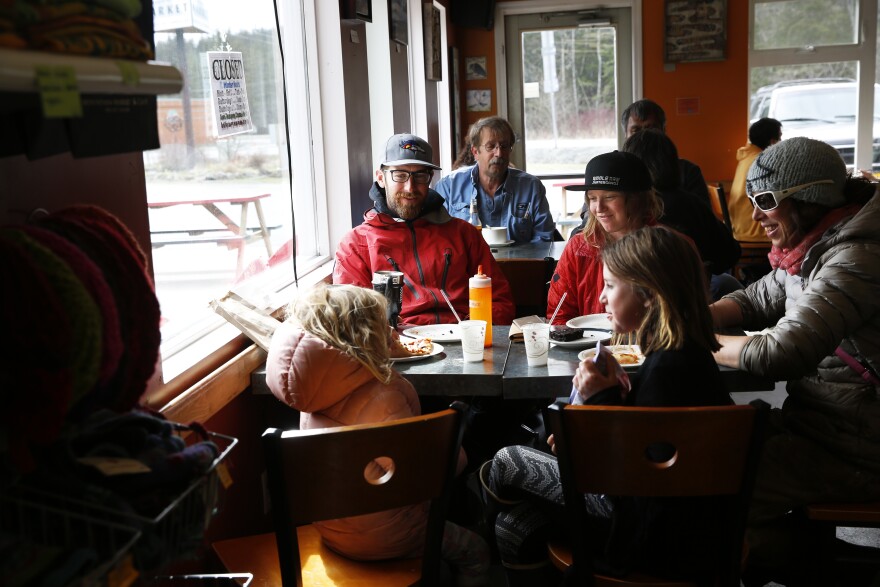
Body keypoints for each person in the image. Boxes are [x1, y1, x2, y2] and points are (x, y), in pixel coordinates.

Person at [481, 226, 733, 586]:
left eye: (611, 286)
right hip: (686, 530)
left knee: (507, 460)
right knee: (514, 527)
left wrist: (594, 412)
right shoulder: (686, 358)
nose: (600, 298)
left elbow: (626, 480)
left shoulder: (667, 372)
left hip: (652, 537)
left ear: (650, 295)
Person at [709, 137, 880, 586]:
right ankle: (825, 559)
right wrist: (696, 314)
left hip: (860, 442)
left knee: (718, 490)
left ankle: (841, 569)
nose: (756, 214)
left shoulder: (854, 256)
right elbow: (755, 297)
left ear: (811, 199)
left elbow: (782, 352)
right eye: (751, 200)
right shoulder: (811, 247)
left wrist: (691, 337)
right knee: (715, 456)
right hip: (826, 422)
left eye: (766, 201)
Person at [265, 283, 491, 586]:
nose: (389, 327)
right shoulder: (386, 394)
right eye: (380, 322)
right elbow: (420, 478)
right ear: (365, 336)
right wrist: (457, 456)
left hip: (332, 531)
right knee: (476, 552)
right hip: (392, 536)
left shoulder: (312, 392)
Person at [333, 132, 515, 327]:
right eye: (400, 175)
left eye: (420, 176)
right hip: (397, 348)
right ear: (380, 178)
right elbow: (352, 321)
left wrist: (470, 330)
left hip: (465, 341)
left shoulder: (464, 234)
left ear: (429, 179)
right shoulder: (354, 245)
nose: (410, 187)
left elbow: (501, 302)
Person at [621, 128, 743, 300]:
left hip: (634, 299)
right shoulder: (690, 203)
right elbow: (730, 254)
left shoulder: (625, 208)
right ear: (674, 164)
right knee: (728, 283)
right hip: (692, 299)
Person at [546, 150, 663, 325]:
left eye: (609, 197)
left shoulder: (666, 248)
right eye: (592, 198)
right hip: (585, 351)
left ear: (637, 199)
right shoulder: (578, 248)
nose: (599, 207)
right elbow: (559, 316)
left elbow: (681, 318)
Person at [435, 116, 555, 244]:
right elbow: (438, 239)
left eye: (504, 146)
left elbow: (543, 240)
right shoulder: (449, 187)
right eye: (491, 146)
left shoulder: (531, 187)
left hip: (519, 263)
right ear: (475, 151)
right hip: (467, 264)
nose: (499, 153)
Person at [620, 99, 711, 205]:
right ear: (625, 135)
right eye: (636, 130)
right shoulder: (615, 171)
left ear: (663, 131)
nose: (644, 136)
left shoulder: (688, 171)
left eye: (651, 129)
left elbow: (703, 216)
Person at [728, 117, 782, 243]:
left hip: (738, 227)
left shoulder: (746, 157)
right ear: (772, 141)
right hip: (755, 230)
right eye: (779, 138)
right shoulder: (763, 162)